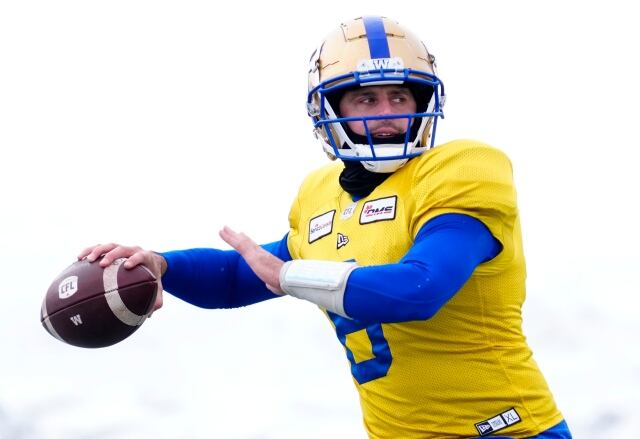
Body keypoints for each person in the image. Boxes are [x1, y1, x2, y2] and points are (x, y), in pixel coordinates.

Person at [78, 16, 572, 439]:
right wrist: (161, 265)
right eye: (366, 100)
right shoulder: (321, 194)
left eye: (399, 96)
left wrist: (291, 278)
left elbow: (421, 289)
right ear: (330, 110)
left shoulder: (464, 167)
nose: (388, 116)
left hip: (507, 428)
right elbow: (238, 277)